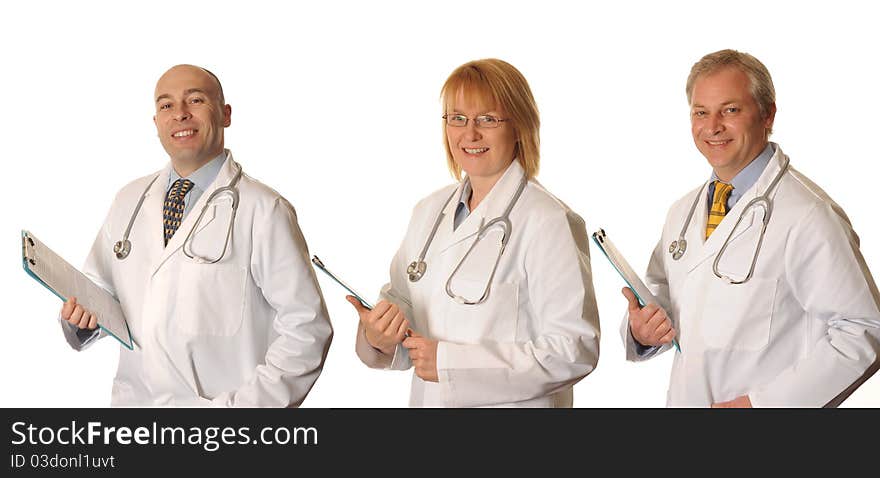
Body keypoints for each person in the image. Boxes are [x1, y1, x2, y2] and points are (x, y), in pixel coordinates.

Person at [59, 64, 333, 406]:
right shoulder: (128, 200)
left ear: (225, 114)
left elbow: (307, 330)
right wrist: (82, 322)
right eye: (166, 105)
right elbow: (100, 292)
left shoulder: (265, 210)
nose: (180, 115)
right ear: (156, 122)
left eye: (196, 100)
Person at [621, 49, 880, 407]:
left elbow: (863, 330)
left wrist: (762, 405)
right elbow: (667, 294)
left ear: (767, 114)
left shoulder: (808, 215)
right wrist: (643, 331)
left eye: (730, 110)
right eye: (701, 112)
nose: (712, 127)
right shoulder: (682, 213)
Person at [347, 58, 600, 407]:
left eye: (487, 119)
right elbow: (404, 312)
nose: (470, 134)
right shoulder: (427, 213)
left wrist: (451, 365)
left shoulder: (549, 221)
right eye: (458, 118)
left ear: (520, 126)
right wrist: (380, 336)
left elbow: (574, 350)